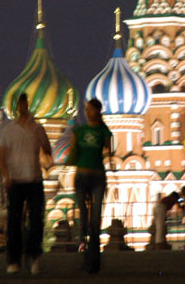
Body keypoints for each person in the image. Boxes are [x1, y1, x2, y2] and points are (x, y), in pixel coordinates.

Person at [0, 93, 52, 275]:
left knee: (36, 221)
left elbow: (47, 148)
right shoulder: (8, 130)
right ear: (16, 107)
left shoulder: (37, 128)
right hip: (15, 181)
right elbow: (1, 156)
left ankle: (34, 257)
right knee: (14, 222)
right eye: (21, 104)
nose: (23, 107)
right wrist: (6, 176)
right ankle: (13, 260)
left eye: (25, 103)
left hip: (34, 179)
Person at [72, 98, 112, 274]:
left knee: (95, 219)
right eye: (86, 109)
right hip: (81, 176)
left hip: (97, 176)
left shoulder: (104, 131)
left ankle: (95, 258)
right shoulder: (79, 130)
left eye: (90, 109)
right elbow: (74, 151)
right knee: (83, 217)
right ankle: (84, 254)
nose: (87, 112)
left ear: (97, 111)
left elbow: (108, 151)